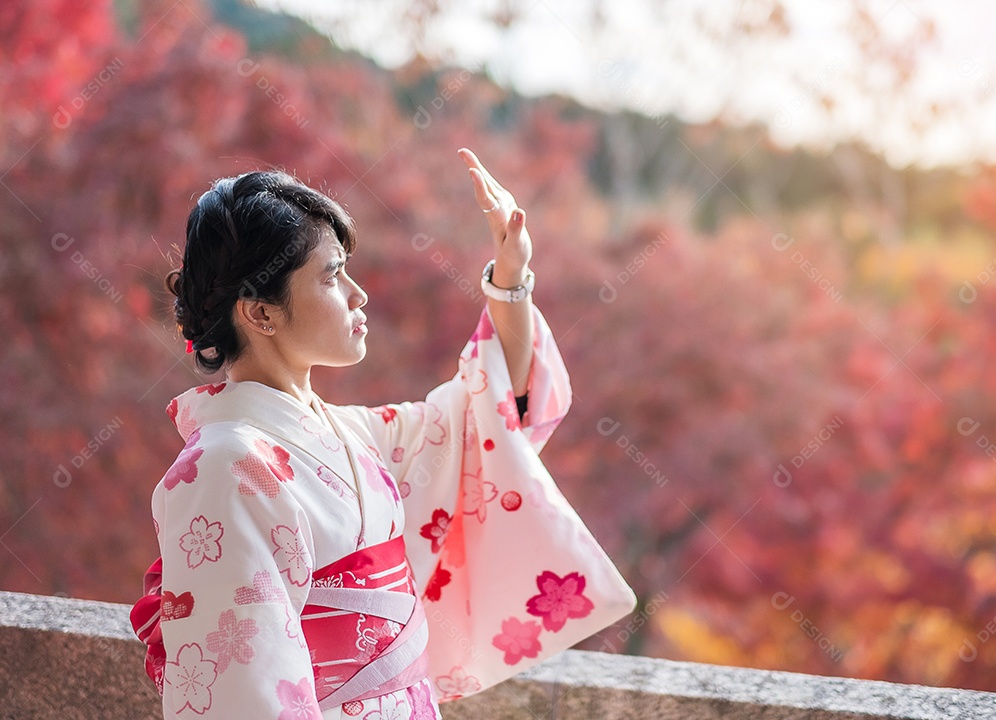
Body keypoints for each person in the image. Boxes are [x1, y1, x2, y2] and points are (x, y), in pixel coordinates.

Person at [129, 148, 637, 719]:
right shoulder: (227, 466)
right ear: (261, 313)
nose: (357, 293)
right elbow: (245, 694)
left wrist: (511, 276)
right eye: (331, 275)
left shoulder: (353, 435)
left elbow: (483, 418)